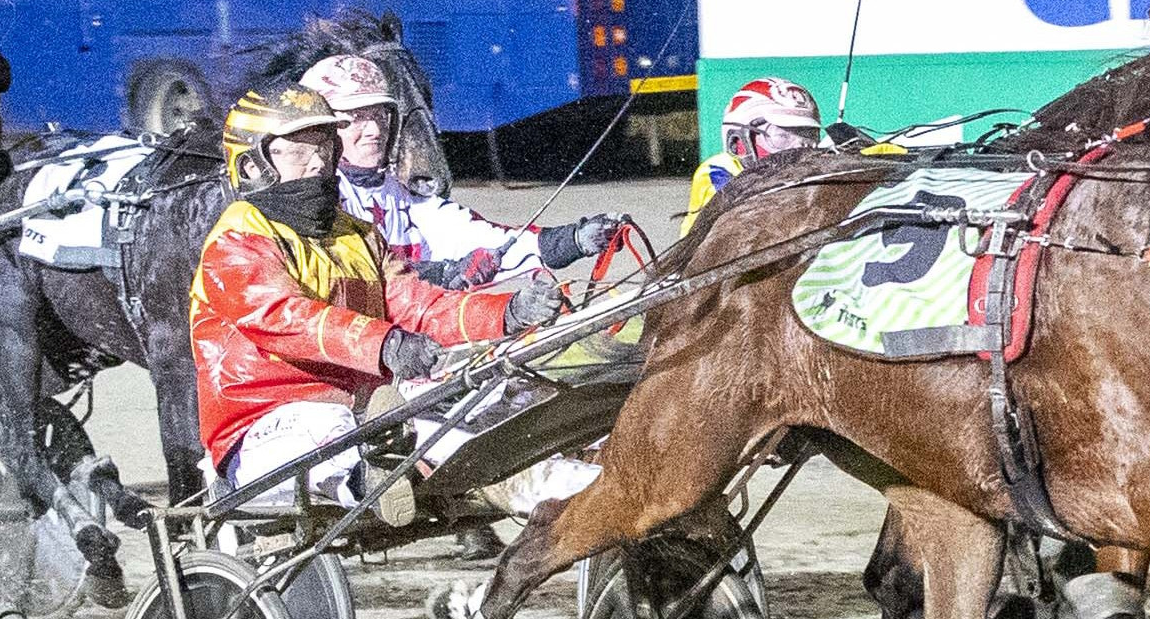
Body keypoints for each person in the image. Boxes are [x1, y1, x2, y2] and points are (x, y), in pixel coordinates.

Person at [190, 86, 560, 513]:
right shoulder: (237, 241)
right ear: (254, 166)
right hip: (260, 426)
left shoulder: (358, 234)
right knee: (330, 426)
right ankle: (365, 480)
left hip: (364, 412)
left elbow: (420, 307)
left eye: (325, 145)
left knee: (470, 439)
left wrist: (508, 313)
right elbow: (286, 318)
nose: (318, 161)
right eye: (298, 152)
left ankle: (572, 496)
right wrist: (386, 345)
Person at [297, 54, 621, 291]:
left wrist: (571, 241)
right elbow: (342, 283)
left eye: (380, 114)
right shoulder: (303, 205)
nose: (374, 130)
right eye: (355, 118)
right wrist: (442, 273)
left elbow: (476, 238)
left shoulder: (402, 197)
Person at [683, 76, 823, 233]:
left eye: (808, 137)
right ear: (738, 140)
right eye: (782, 136)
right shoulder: (715, 171)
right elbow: (749, 213)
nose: (799, 148)